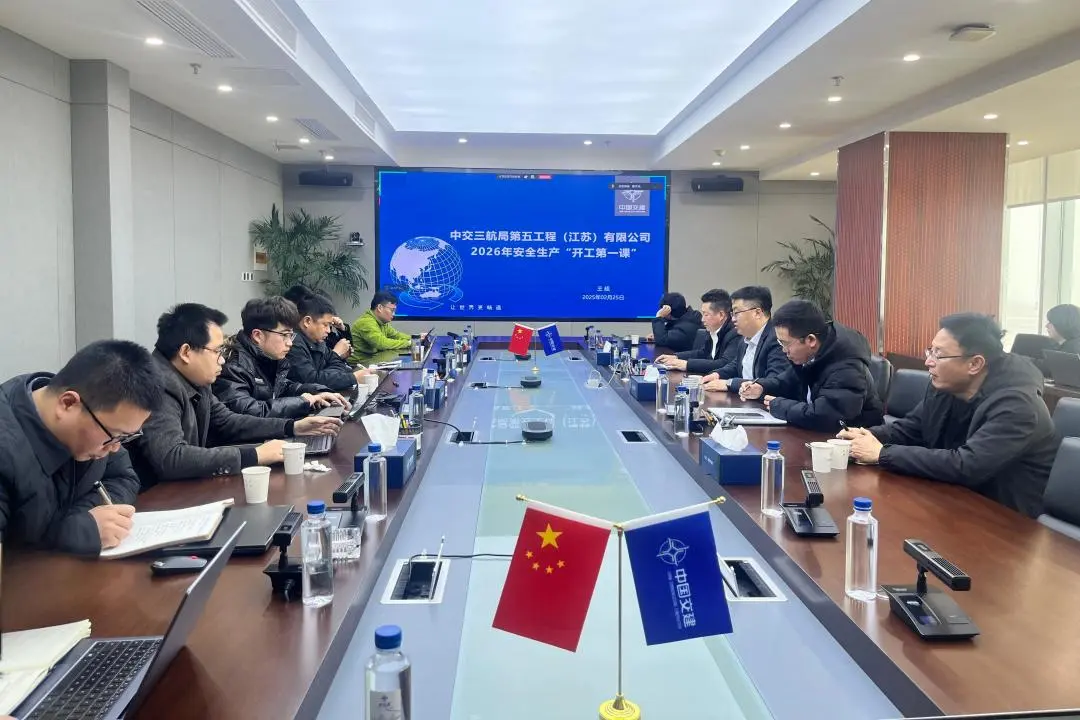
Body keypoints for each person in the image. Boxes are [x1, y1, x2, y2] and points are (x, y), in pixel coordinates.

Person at [840, 313, 1059, 518]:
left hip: (1003, 520)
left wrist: (881, 453)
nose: (928, 362)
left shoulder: (1019, 407)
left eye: (939, 354)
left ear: (975, 364)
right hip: (951, 501)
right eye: (930, 351)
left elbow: (967, 465)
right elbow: (913, 428)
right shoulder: (947, 386)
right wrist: (865, 436)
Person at [129, 304, 342, 488]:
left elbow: (228, 421)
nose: (222, 360)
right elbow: (171, 458)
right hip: (155, 500)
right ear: (186, 352)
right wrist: (255, 455)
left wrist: (292, 427)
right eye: (217, 351)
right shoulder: (157, 385)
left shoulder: (194, 378)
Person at [0, 340, 161, 554]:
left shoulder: (98, 421)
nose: (115, 448)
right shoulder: (7, 450)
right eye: (115, 435)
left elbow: (125, 478)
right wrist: (73, 532)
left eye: (125, 437)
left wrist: (82, 517)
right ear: (67, 403)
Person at [740, 300, 883, 431]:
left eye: (785, 343)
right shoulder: (810, 355)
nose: (783, 350)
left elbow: (827, 416)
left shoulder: (846, 366)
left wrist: (779, 405)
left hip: (854, 440)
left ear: (811, 340)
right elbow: (785, 381)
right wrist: (762, 387)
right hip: (818, 434)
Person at [213, 297, 349, 419]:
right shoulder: (233, 366)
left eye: (291, 335)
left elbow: (284, 388)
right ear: (258, 336)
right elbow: (247, 412)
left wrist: (318, 392)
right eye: (284, 335)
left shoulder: (268, 357)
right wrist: (302, 402)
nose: (290, 343)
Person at [701, 285, 789, 393]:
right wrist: (717, 374)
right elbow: (736, 365)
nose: (733, 319)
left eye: (736, 313)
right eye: (732, 314)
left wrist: (730, 383)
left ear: (757, 313)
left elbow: (773, 382)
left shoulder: (777, 339)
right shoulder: (745, 337)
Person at [289, 292, 372, 392]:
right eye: (325, 325)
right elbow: (311, 380)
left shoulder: (317, 341)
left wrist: (327, 373)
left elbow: (339, 367)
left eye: (330, 326)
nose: (328, 330)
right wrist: (353, 377)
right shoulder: (292, 343)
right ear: (307, 321)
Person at [655, 289, 740, 374]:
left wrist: (687, 364)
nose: (702, 319)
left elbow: (724, 363)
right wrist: (676, 357)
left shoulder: (735, 333)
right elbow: (703, 353)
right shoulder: (712, 329)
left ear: (721, 315)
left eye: (706, 315)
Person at [284, 285, 354, 362]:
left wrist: (342, 329)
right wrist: (336, 355)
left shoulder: (318, 333)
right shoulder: (293, 341)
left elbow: (331, 358)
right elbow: (317, 368)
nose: (328, 330)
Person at [350, 290, 416, 365]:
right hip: (358, 365)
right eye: (392, 310)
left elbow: (396, 335)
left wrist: (416, 338)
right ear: (380, 308)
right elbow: (381, 343)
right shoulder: (366, 322)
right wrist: (408, 343)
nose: (394, 314)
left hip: (373, 361)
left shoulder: (382, 322)